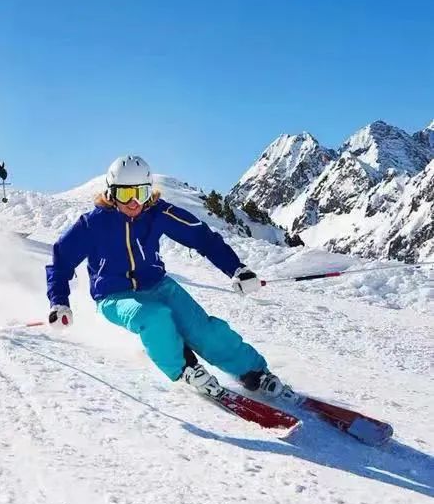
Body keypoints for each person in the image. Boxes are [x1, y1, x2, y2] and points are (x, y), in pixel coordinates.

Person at [45, 155, 293, 399]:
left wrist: (237, 269)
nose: (134, 202)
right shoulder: (92, 225)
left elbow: (202, 238)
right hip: (114, 296)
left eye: (141, 193)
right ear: (111, 193)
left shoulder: (158, 213)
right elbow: (61, 261)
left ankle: (254, 372)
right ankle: (185, 369)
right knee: (154, 317)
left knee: (202, 330)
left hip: (159, 285)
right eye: (125, 194)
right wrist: (59, 302)